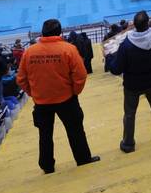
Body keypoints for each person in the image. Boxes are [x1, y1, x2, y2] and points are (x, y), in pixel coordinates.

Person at [16, 18, 98, 173]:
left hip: (41, 102)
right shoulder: (69, 49)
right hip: (67, 99)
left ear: (42, 33)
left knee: (45, 134)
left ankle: (47, 166)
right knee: (75, 131)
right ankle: (83, 159)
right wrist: (75, 91)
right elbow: (80, 75)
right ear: (60, 32)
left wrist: (33, 93)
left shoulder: (29, 52)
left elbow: (21, 79)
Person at [105, 11, 151, 152]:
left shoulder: (126, 45)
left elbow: (116, 69)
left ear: (135, 24)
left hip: (132, 85)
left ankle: (128, 143)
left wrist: (109, 58)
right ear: (147, 23)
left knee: (129, 114)